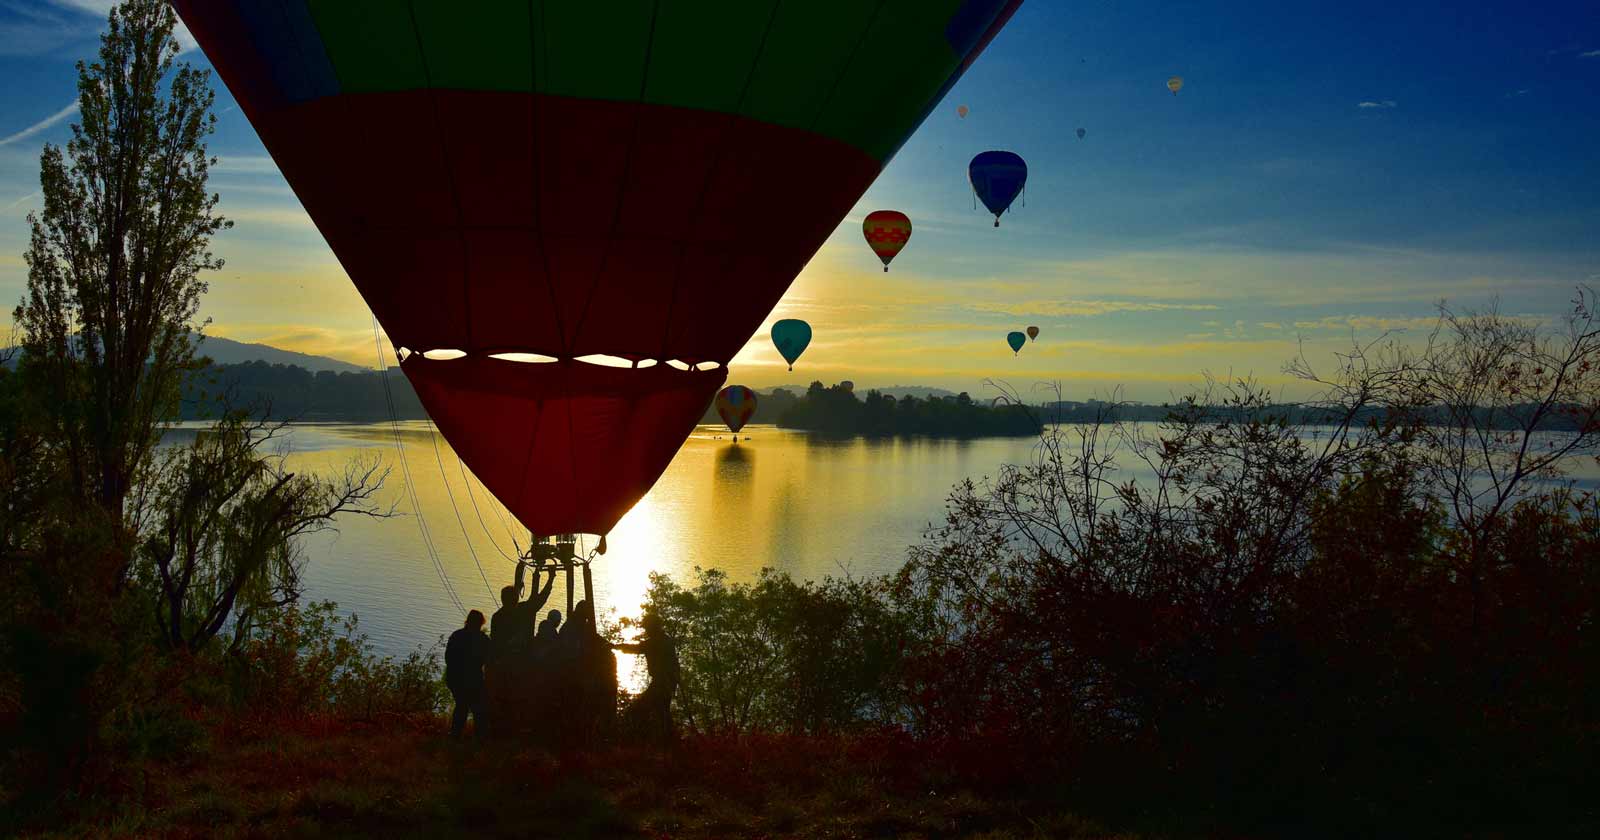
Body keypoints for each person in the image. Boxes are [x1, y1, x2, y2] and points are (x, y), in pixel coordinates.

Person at [612, 612, 680, 742]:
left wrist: (616, 646)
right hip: (667, 683)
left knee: (638, 712)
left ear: (653, 627)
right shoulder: (666, 640)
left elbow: (637, 648)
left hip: (661, 683)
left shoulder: (656, 642)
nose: (646, 630)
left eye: (647, 628)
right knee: (662, 713)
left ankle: (655, 743)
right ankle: (669, 741)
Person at [491, 560, 555, 660]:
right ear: (516, 599)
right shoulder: (523, 610)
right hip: (522, 659)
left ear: (502, 599)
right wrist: (550, 579)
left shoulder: (497, 616)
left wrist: (521, 567)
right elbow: (541, 599)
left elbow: (494, 641)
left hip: (504, 660)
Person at [444, 610, 491, 738]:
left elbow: (448, 658)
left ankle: (455, 735)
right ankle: (479, 738)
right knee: (478, 709)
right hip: (473, 679)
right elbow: (489, 660)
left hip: (455, 678)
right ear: (481, 623)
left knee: (461, 707)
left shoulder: (456, 635)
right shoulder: (483, 639)